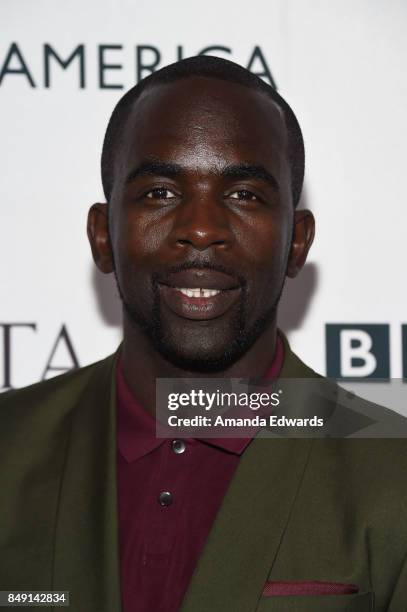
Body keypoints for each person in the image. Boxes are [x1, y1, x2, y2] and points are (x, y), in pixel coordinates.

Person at [0, 56, 406, 612]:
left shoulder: (394, 472)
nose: (201, 228)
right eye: (159, 193)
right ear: (101, 235)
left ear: (297, 243)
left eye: (244, 195)